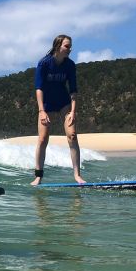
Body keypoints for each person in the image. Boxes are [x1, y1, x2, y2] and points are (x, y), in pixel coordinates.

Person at [30, 34, 85, 186]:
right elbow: (39, 88)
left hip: (63, 103)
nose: (70, 49)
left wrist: (73, 112)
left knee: (72, 136)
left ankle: (77, 175)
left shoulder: (70, 65)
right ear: (57, 46)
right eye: (67, 46)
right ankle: (38, 176)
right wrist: (41, 111)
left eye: (70, 46)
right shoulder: (44, 64)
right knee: (42, 139)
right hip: (46, 104)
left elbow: (73, 90)